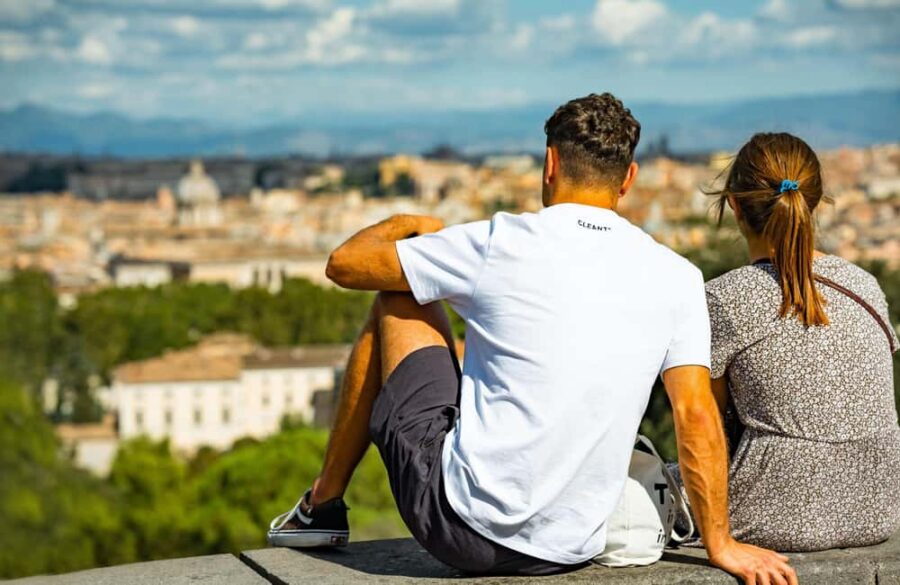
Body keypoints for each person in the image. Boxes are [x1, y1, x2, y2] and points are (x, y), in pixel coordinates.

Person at [267, 94, 796, 584]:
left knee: (399, 294)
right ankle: (322, 504)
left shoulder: (501, 241)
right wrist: (720, 543)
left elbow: (344, 265)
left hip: (460, 527)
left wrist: (413, 222)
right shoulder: (676, 274)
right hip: (571, 545)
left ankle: (322, 505)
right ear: (628, 179)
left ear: (550, 164)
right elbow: (696, 416)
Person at [691, 132, 900, 551]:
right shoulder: (866, 284)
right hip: (878, 508)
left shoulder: (723, 298)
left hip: (773, 515)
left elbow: (708, 427)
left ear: (733, 204)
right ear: (815, 202)